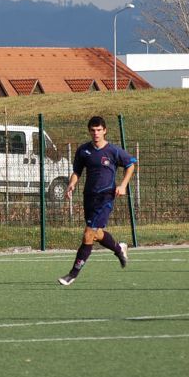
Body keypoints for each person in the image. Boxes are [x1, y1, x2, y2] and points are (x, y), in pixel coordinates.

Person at [58, 115, 135, 286]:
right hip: (89, 196)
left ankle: (72, 274)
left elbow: (131, 164)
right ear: (89, 131)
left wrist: (123, 185)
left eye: (99, 130)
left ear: (105, 131)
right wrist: (71, 184)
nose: (96, 133)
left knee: (88, 233)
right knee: (97, 233)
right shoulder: (83, 150)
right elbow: (77, 171)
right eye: (93, 130)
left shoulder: (113, 151)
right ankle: (119, 248)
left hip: (106, 196)